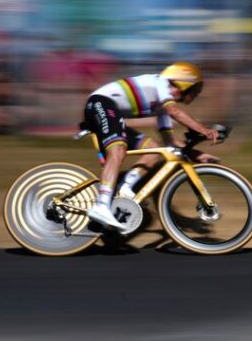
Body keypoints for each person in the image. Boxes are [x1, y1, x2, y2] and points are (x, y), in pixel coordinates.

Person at [82, 61, 219, 231]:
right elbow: (174, 112)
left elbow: (170, 144)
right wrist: (204, 130)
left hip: (110, 110)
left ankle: (124, 187)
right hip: (100, 103)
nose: (196, 95)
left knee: (154, 149)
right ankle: (101, 205)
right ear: (186, 84)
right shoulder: (161, 83)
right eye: (196, 91)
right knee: (118, 149)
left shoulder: (162, 106)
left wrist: (196, 154)